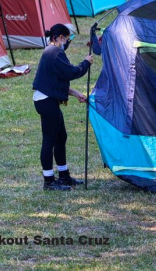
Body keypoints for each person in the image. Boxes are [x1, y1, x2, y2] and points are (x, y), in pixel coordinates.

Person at [31, 23, 93, 191]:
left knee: (61, 137)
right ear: (58, 37)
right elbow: (71, 72)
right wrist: (86, 63)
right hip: (46, 101)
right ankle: (49, 181)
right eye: (67, 38)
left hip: (46, 99)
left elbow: (54, 81)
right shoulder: (55, 52)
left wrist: (75, 93)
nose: (67, 41)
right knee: (49, 140)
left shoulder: (51, 52)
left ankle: (64, 176)